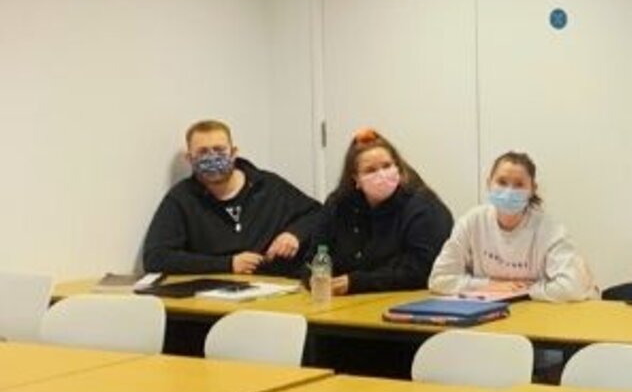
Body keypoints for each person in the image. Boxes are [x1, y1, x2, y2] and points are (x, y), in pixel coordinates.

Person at [140, 119, 320, 278]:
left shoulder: (269, 186)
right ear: (189, 158)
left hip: (275, 289)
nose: (212, 157)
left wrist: (294, 234)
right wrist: (227, 264)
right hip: (212, 299)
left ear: (233, 152)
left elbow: (319, 213)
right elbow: (156, 257)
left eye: (219, 150)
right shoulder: (181, 199)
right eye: (203, 152)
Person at [428, 151, 594, 303]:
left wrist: (523, 290)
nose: (509, 191)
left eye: (519, 185)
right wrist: (488, 285)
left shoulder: (549, 229)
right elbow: (438, 280)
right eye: (502, 182)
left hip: (538, 314)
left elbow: (573, 287)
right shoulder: (472, 222)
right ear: (489, 183)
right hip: (485, 312)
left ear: (532, 190)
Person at [308, 129, 453, 295]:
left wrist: (356, 282)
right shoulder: (338, 204)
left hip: (404, 302)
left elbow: (421, 270)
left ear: (398, 167)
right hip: (339, 302)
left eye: (387, 166)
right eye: (370, 170)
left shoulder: (424, 206)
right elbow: (315, 257)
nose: (382, 175)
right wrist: (313, 278)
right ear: (355, 178)